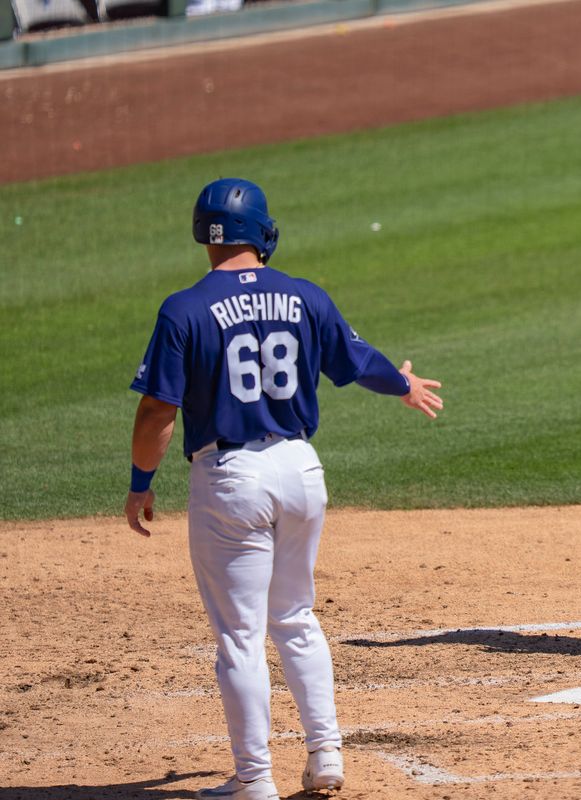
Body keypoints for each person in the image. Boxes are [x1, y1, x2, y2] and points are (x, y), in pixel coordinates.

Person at [124, 178, 443, 799]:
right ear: (263, 233)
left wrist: (140, 484)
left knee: (240, 637)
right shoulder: (303, 296)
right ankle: (326, 755)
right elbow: (358, 362)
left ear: (204, 235)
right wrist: (404, 386)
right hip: (301, 472)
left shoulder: (183, 309)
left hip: (231, 480)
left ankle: (254, 781)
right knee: (295, 617)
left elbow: (157, 414)